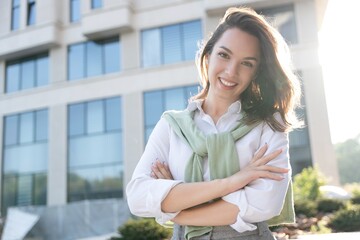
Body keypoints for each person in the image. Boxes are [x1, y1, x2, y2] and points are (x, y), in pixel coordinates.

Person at [126, 6, 301, 240]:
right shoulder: (171, 126)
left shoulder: (268, 123)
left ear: (256, 72)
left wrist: (177, 209)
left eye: (246, 63)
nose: (231, 71)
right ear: (207, 57)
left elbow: (266, 203)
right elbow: (137, 196)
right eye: (224, 55)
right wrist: (233, 182)